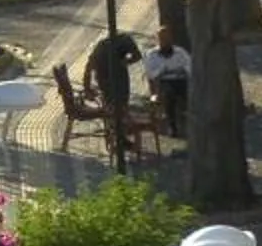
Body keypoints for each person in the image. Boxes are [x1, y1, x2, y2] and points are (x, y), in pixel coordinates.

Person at [82, 28, 143, 170]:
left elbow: (89, 66)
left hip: (111, 79)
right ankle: (118, 137)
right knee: (117, 107)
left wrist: (87, 86)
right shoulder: (108, 45)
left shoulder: (103, 45)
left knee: (117, 107)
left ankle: (119, 136)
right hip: (111, 79)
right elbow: (136, 56)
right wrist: (125, 62)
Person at [142, 35, 191, 137]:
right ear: (158, 40)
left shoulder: (180, 52)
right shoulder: (152, 55)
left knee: (192, 92)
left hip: (181, 79)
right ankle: (172, 126)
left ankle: (194, 121)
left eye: (168, 40)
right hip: (163, 82)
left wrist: (184, 70)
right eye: (163, 40)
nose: (166, 42)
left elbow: (189, 65)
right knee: (169, 94)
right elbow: (150, 74)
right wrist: (162, 70)